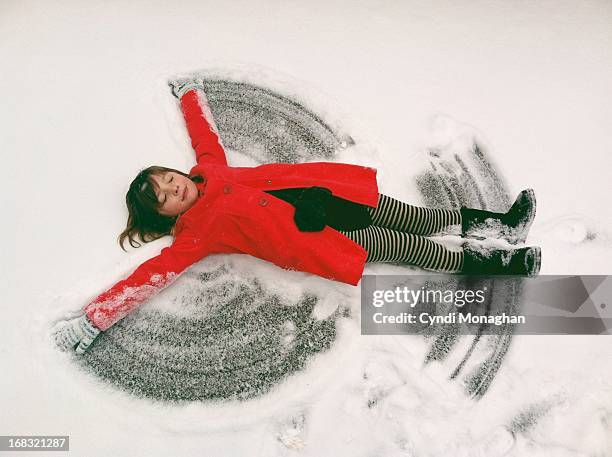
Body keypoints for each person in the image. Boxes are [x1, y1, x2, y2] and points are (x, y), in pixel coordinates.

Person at [53, 80, 540, 354]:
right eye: (162, 196)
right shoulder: (194, 235)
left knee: (422, 219)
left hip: (336, 200)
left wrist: (189, 98)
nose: (172, 186)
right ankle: (506, 265)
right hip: (325, 236)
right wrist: (94, 319)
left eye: (165, 177)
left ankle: (502, 225)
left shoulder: (207, 172)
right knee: (418, 250)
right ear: (163, 217)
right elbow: (148, 276)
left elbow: (205, 138)